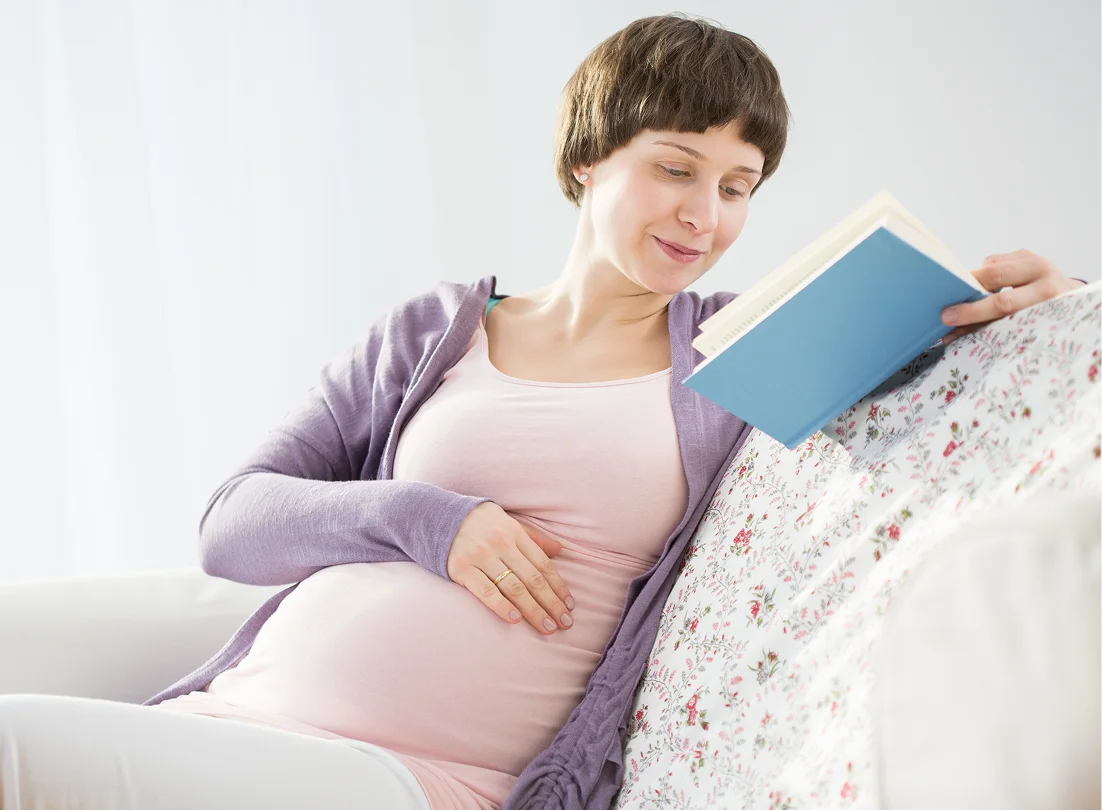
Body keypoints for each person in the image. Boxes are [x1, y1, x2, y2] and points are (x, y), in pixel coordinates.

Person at [0, 13, 1086, 811]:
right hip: (241, 697)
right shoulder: (435, 329)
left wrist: (1028, 300)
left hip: (410, 776)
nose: (704, 217)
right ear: (585, 159)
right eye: (676, 168)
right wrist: (431, 518)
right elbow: (232, 525)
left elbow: (931, 324)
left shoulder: (734, 344)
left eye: (738, 184)